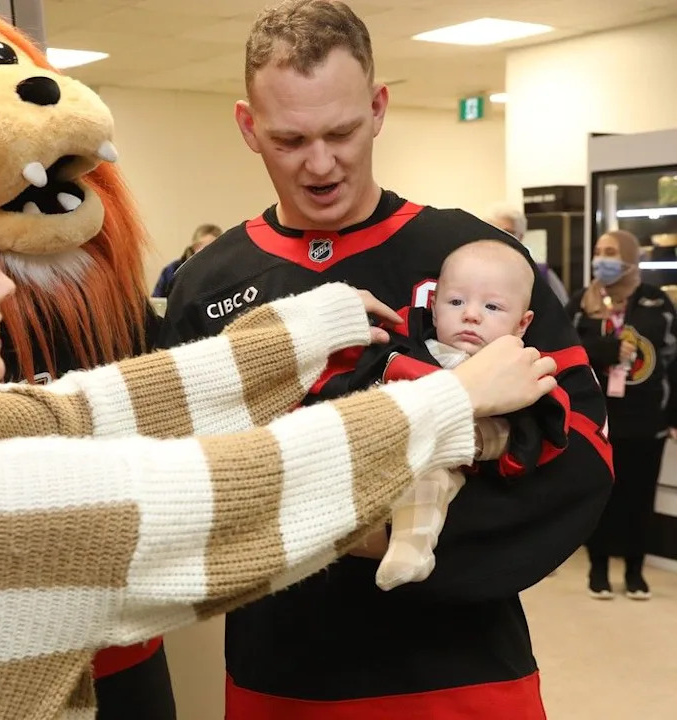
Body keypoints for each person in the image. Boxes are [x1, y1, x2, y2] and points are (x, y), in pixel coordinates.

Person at [0, 143, 556, 719]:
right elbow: (250, 494)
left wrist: (303, 329)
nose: (4, 287)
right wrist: (451, 401)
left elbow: (81, 412)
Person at [159, 2, 613, 716]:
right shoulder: (207, 283)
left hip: (461, 674)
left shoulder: (475, 261)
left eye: (340, 132)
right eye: (289, 139)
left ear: (377, 109)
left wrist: (386, 533)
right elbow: (178, 481)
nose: (319, 164)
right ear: (249, 127)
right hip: (278, 677)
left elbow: (581, 453)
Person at [371, 240, 542, 591]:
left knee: (428, 477)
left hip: (466, 451)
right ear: (434, 310)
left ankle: (409, 551)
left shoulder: (516, 366)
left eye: (492, 306)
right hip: (392, 451)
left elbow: (526, 431)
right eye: (456, 302)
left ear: (521, 324)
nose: (471, 315)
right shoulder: (409, 351)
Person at [567, 229, 677, 601]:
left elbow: (674, 360)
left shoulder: (656, 301)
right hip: (596, 419)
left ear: (630, 257)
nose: (602, 259)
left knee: (639, 498)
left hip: (647, 419)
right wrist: (603, 349)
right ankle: (597, 569)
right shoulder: (582, 302)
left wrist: (674, 415)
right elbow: (561, 348)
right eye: (599, 251)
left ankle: (634, 571)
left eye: (611, 252)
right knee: (601, 495)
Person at [486, 202, 570, 306]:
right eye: (493, 231)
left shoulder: (541, 274)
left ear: (520, 236)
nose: (499, 237)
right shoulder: (473, 271)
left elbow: (561, 311)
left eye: (507, 232)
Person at [152, 223, 222, 298]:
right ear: (193, 248)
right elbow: (157, 301)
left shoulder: (224, 272)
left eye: (210, 247)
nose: (203, 251)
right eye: (199, 246)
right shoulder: (173, 270)